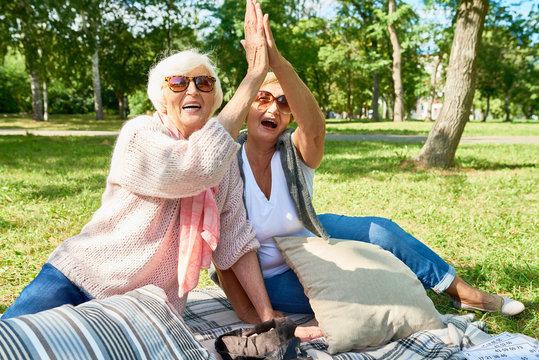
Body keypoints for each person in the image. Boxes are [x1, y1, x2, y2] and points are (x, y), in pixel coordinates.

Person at [218, 4, 525, 331]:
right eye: (262, 98)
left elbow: (317, 128)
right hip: (272, 274)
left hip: (310, 236)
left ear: (291, 116)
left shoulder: (294, 151)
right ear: (247, 105)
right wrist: (250, 312)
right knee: (358, 289)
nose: (273, 108)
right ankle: (405, 291)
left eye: (283, 103)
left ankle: (463, 292)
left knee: (381, 231)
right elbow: (219, 248)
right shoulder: (224, 161)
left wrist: (276, 62)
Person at [2, 0, 279, 321]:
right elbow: (194, 167)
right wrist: (252, 78)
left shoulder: (224, 160)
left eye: (204, 83)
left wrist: (268, 316)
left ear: (214, 97)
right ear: (162, 96)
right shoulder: (141, 134)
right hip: (78, 280)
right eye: (178, 82)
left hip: (143, 309)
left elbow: (235, 240)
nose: (193, 90)